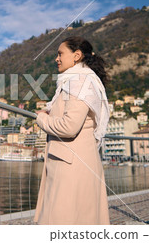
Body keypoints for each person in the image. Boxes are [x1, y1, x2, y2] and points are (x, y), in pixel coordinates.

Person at [33, 36, 110, 225]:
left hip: (69, 167)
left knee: (62, 221)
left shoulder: (79, 82)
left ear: (76, 56)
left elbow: (69, 126)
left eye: (60, 54)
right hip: (76, 162)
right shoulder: (80, 81)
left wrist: (41, 118)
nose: (56, 59)